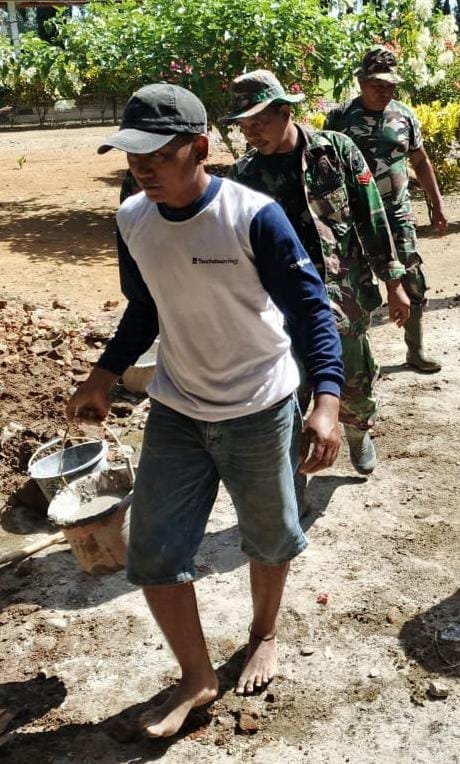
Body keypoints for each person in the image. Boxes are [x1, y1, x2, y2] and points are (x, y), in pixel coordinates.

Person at [68, 84, 344, 736]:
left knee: (269, 536)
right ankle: (197, 677)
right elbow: (145, 307)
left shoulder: (253, 218)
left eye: (158, 155)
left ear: (198, 148)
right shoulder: (132, 220)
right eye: (133, 155)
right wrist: (102, 377)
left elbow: (312, 312)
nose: (142, 169)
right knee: (154, 552)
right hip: (178, 406)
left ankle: (264, 633)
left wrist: (327, 402)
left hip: (260, 404)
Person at [222, 70, 410, 476]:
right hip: (281, 304)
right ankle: (296, 466)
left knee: (354, 380)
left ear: (285, 112)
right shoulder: (242, 177)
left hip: (343, 296)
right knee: (291, 386)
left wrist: (394, 283)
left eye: (259, 122)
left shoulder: (336, 151)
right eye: (244, 126)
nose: (251, 134)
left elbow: (372, 216)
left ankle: (358, 431)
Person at [325, 46, 446, 373]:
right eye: (377, 84)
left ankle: (415, 350)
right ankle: (365, 360)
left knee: (412, 278)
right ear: (361, 81)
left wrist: (437, 204)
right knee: (357, 285)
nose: (384, 91)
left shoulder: (404, 116)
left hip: (397, 214)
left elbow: (420, 160)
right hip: (355, 219)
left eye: (390, 85)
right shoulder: (340, 118)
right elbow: (326, 169)